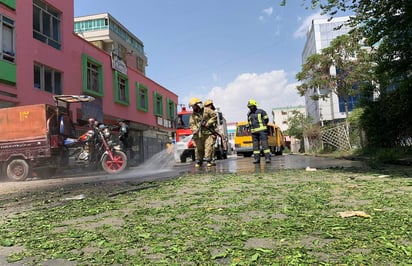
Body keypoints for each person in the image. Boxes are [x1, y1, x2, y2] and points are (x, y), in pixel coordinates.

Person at [188, 97, 217, 167]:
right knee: (198, 148)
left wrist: (208, 123)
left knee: (208, 147)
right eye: (192, 107)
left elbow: (214, 116)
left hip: (208, 133)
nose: (193, 108)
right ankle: (199, 161)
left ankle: (209, 160)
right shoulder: (193, 115)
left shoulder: (207, 110)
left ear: (198, 105)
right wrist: (194, 130)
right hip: (199, 134)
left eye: (194, 106)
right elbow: (192, 123)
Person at [246, 99, 271, 164]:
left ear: (254, 105)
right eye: (249, 106)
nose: (250, 107)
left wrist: (262, 126)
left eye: (251, 106)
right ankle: (256, 159)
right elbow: (249, 122)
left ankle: (267, 158)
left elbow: (266, 120)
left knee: (265, 145)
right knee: (255, 147)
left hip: (262, 131)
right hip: (254, 132)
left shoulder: (261, 111)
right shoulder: (249, 114)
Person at [204, 99, 218, 164]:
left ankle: (212, 159)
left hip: (212, 132)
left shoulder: (213, 113)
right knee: (208, 147)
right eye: (207, 106)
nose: (208, 107)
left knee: (211, 147)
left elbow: (215, 124)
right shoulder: (204, 114)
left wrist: (215, 133)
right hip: (206, 133)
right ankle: (209, 159)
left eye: (209, 105)